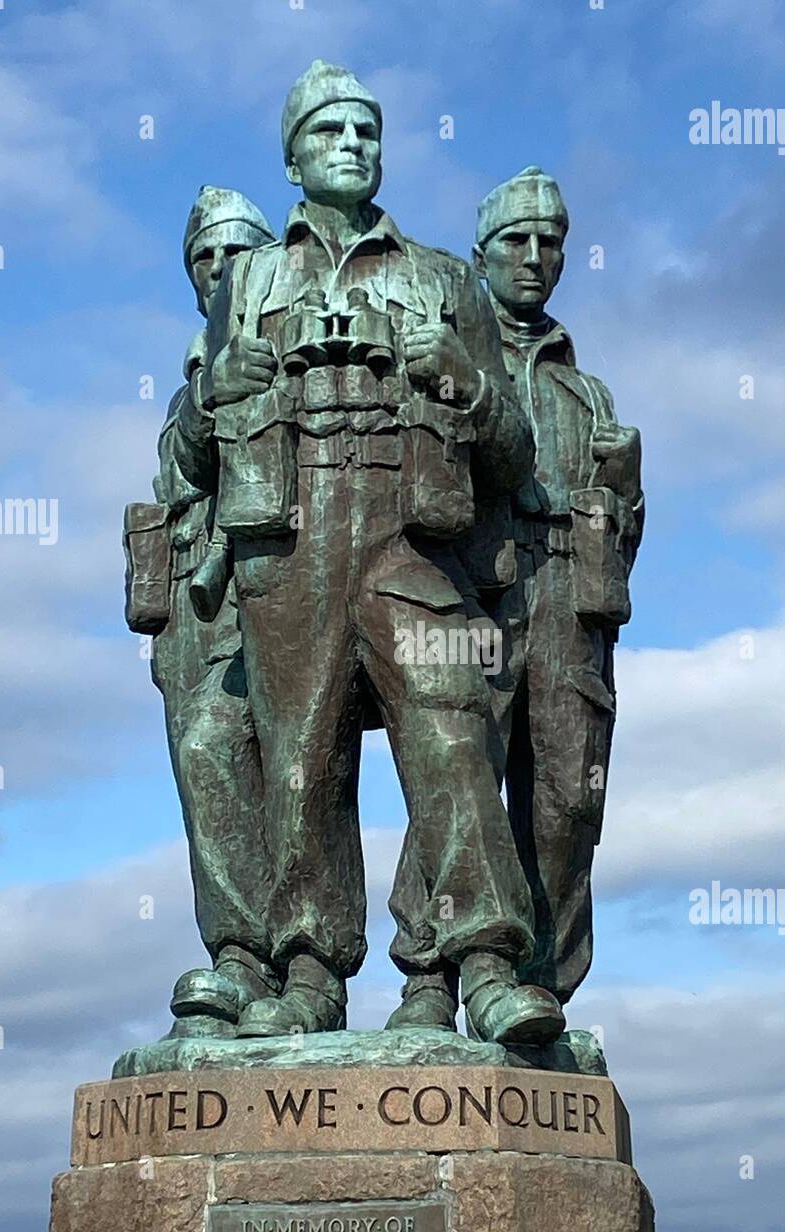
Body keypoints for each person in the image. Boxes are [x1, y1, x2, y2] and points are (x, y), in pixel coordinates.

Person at [182, 64, 566, 1044]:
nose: (351, 144)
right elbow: (191, 456)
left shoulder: (441, 276)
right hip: (290, 546)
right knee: (301, 769)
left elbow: (517, 449)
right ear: (293, 155)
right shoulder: (250, 280)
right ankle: (308, 974)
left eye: (366, 129)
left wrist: (469, 387)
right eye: (329, 132)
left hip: (409, 543)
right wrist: (216, 386)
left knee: (450, 738)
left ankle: (483, 964)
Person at [387, 168, 644, 1028]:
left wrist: (627, 491)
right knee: (458, 767)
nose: (535, 257)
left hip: (573, 594)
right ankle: (430, 972)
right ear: (480, 256)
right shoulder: (446, 357)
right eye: (516, 241)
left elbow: (629, 535)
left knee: (570, 797)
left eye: (551, 242)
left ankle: (536, 983)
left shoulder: (586, 390)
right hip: (479, 582)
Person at [124, 186, 280, 1036]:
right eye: (202, 258)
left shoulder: (294, 343)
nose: (217, 270)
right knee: (208, 764)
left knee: (276, 764)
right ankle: (240, 961)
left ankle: (301, 963)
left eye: (232, 252)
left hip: (291, 580)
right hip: (196, 602)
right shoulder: (195, 368)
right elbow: (175, 475)